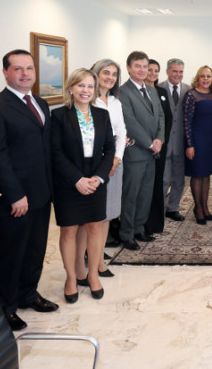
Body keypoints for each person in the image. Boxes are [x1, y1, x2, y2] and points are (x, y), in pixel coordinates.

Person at [0, 49, 56, 331]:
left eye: (30, 68)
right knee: (10, 254)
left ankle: (28, 293)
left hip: (42, 192)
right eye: (18, 69)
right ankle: (4, 307)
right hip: (16, 197)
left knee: (35, 250)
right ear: (5, 73)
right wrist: (15, 194)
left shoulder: (41, 103)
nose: (25, 74)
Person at [50, 69, 115, 303]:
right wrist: (77, 180)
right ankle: (70, 278)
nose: (85, 91)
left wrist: (98, 178)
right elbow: (55, 152)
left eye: (89, 86)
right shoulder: (58, 116)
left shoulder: (102, 115)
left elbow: (110, 149)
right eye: (80, 86)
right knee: (69, 230)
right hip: (68, 182)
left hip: (96, 180)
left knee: (95, 228)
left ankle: (93, 274)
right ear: (71, 89)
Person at [117, 51, 164, 250]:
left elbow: (161, 116)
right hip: (134, 153)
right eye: (138, 66)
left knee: (145, 193)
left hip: (152, 152)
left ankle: (139, 228)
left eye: (145, 66)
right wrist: (150, 143)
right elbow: (130, 122)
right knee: (131, 195)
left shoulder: (152, 90)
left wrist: (160, 139)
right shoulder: (122, 92)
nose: (143, 70)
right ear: (128, 68)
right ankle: (126, 234)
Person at [86, 59, 127, 277]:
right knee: (95, 216)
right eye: (106, 72)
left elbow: (121, 132)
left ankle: (99, 254)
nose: (110, 77)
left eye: (113, 74)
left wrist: (117, 159)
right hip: (95, 163)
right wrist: (107, 161)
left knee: (108, 214)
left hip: (115, 162)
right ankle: (94, 260)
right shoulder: (88, 100)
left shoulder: (115, 102)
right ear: (95, 73)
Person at [184, 66, 212, 224]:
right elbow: (187, 122)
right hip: (197, 141)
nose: (206, 79)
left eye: (209, 76)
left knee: (207, 175)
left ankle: (205, 207)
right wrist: (189, 144)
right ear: (197, 78)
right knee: (197, 174)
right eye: (203, 76)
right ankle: (198, 208)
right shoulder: (191, 95)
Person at [160, 59, 190, 220]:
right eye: (175, 71)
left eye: (181, 71)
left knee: (179, 179)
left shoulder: (188, 90)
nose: (178, 74)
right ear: (167, 71)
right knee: (164, 179)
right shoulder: (158, 89)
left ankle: (173, 208)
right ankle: (159, 209)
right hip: (163, 144)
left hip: (181, 143)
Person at [146, 58, 171, 234]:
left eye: (156, 71)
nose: (153, 74)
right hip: (144, 146)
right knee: (145, 186)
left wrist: (161, 140)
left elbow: (165, 117)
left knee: (158, 184)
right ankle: (143, 223)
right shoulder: (138, 91)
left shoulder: (161, 91)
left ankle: (155, 223)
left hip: (160, 144)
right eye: (150, 70)